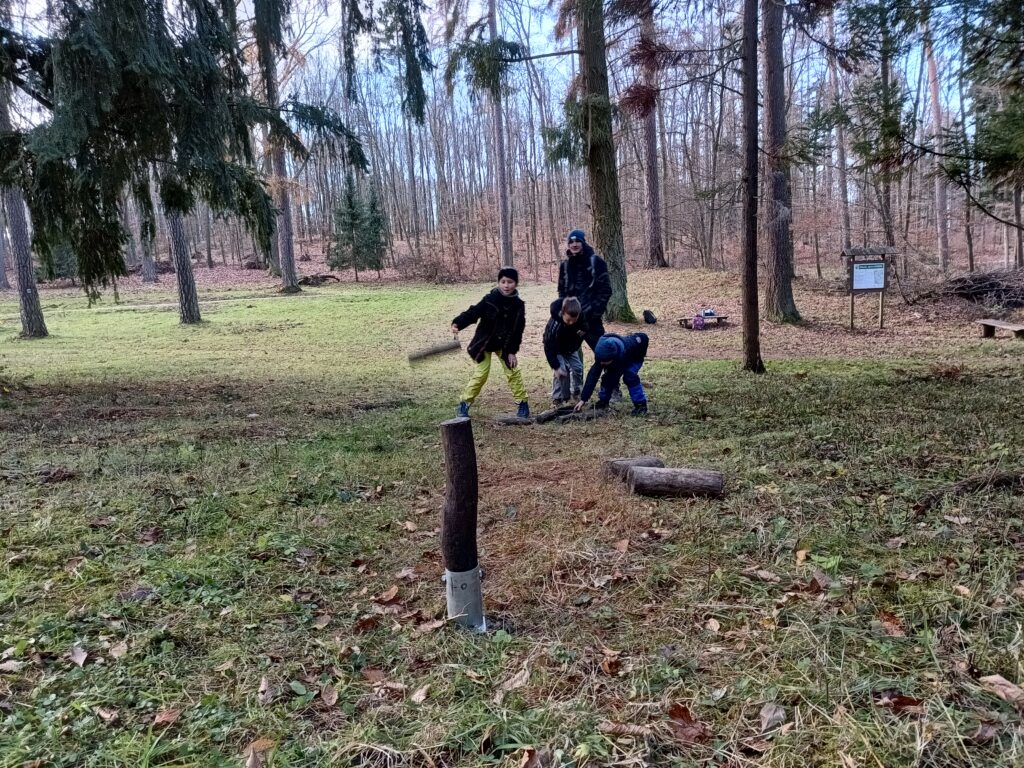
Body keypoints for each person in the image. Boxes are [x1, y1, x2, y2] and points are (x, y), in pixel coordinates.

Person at [452, 267, 528, 419]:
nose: (506, 285)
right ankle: (464, 403)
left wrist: (512, 351)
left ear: (516, 283)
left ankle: (523, 403)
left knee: (513, 371)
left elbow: (518, 330)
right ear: (498, 282)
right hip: (484, 344)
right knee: (481, 374)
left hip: (505, 345)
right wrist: (458, 323)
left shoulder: (518, 305)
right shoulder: (489, 299)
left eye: (510, 282)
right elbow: (473, 312)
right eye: (503, 282)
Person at [558, 229, 611, 352]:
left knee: (604, 354)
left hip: (591, 321)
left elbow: (606, 290)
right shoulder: (565, 266)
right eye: (571, 242)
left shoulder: (596, 262)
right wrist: (565, 314)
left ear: (583, 242)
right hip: (571, 320)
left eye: (578, 241)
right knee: (569, 355)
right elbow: (561, 292)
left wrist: (594, 312)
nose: (574, 244)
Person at [574, 332, 649, 416]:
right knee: (608, 379)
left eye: (604, 361)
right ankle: (603, 402)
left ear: (613, 357)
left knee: (630, 377)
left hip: (634, 359)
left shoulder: (630, 344)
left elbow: (643, 337)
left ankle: (641, 405)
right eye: (600, 361)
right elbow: (592, 376)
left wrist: (641, 354)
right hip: (617, 361)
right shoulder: (601, 357)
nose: (602, 363)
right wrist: (583, 399)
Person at [543, 296, 589, 405]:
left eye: (574, 320)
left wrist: (576, 343)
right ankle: (558, 398)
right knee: (561, 371)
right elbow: (548, 345)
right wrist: (555, 366)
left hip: (570, 348)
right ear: (562, 313)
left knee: (578, 368)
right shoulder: (555, 323)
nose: (571, 323)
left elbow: (584, 331)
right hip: (556, 349)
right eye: (568, 320)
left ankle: (576, 391)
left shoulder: (581, 319)